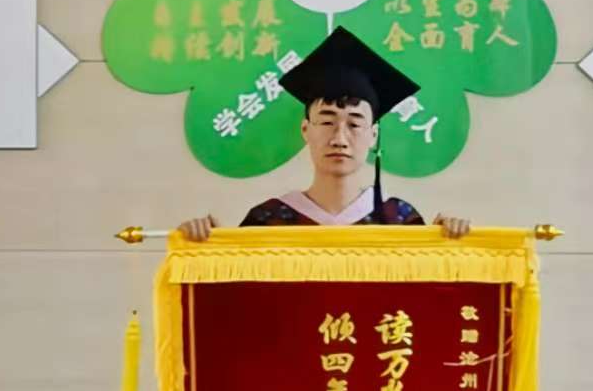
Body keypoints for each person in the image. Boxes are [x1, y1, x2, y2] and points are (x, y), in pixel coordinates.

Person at [179, 27, 471, 241]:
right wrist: (208, 248)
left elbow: (428, 298)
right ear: (306, 129)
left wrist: (449, 245)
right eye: (327, 121)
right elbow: (237, 298)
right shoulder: (268, 221)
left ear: (373, 135)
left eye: (354, 124)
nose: (339, 139)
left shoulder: (400, 221)